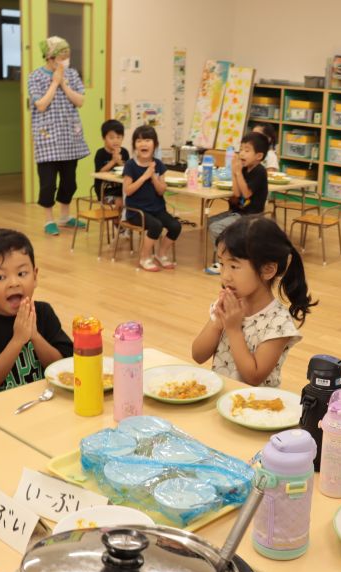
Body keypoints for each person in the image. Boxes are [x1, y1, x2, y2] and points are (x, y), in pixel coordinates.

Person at [192, 216, 315, 386]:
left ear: (267, 270)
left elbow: (254, 377)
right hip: (222, 399)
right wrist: (218, 322)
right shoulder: (228, 306)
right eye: (221, 264)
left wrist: (233, 329)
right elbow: (198, 355)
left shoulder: (277, 322)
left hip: (258, 407)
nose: (225, 275)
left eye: (234, 266)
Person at [0, 229, 73, 400]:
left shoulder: (43, 313)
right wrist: (18, 340)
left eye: (22, 274)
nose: (14, 283)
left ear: (35, 276)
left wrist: (34, 336)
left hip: (44, 404)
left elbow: (63, 367)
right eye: (0, 277)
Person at [28, 36, 89, 236]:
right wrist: (54, 83)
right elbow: (41, 104)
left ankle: (65, 217)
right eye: (62, 56)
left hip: (70, 138)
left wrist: (64, 84)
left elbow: (80, 101)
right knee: (48, 184)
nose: (65, 60)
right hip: (47, 140)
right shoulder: (35, 76)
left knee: (69, 182)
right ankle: (48, 220)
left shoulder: (72, 74)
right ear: (50, 57)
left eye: (67, 56)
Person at [205, 132, 269, 275]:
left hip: (251, 216)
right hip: (238, 212)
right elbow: (237, 194)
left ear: (258, 156)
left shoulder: (260, 171)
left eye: (247, 150)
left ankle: (225, 261)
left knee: (217, 227)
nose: (242, 153)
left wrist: (238, 173)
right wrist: (234, 173)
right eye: (241, 149)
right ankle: (229, 257)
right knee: (209, 222)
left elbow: (246, 194)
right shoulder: (244, 170)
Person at [123, 125, 181, 272]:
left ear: (155, 144)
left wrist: (154, 176)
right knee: (156, 226)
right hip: (136, 211)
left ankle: (161, 254)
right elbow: (128, 191)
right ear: (134, 145)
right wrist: (144, 176)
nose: (143, 144)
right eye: (139, 141)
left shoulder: (159, 165)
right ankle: (144, 257)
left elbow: (161, 191)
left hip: (157, 209)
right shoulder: (130, 165)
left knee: (175, 226)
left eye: (147, 140)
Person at [94, 119, 129, 209]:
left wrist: (119, 162)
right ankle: (117, 222)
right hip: (105, 191)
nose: (116, 141)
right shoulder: (100, 153)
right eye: (112, 137)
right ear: (104, 138)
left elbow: (128, 170)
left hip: (121, 189)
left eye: (119, 137)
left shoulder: (124, 152)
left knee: (134, 199)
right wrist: (113, 161)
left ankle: (124, 221)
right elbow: (99, 172)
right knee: (119, 202)